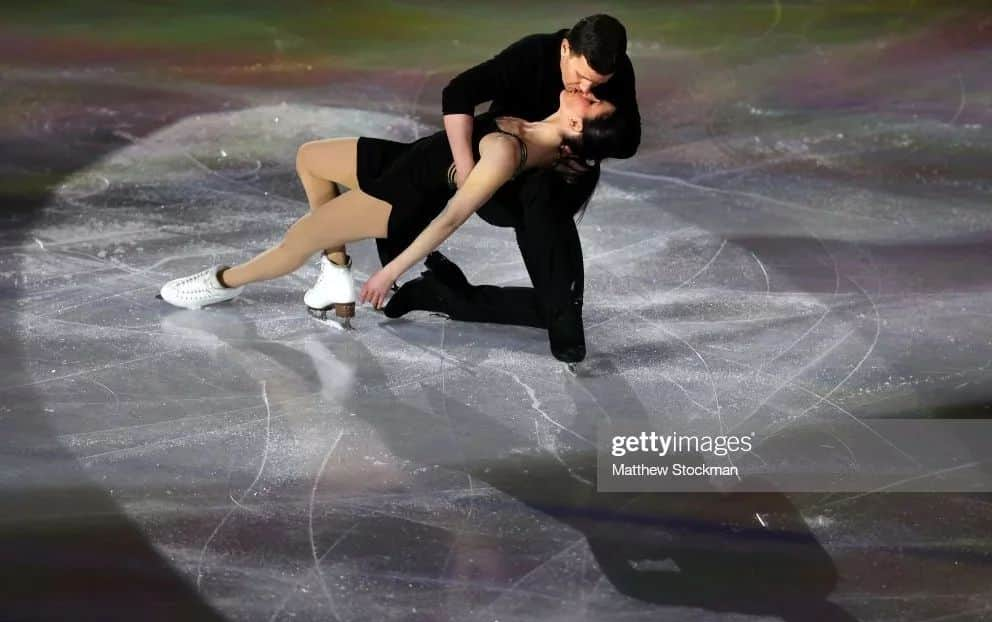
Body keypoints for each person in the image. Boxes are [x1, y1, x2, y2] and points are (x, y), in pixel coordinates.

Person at [158, 91, 626, 322]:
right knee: (311, 157)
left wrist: (388, 271)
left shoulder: (509, 153)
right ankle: (337, 274)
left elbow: (451, 216)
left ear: (576, 127)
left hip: (399, 198)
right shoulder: (537, 117)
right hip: (402, 160)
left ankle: (222, 283)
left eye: (593, 103)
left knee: (297, 241)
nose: (587, 92)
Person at [377, 14, 641, 363]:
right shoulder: (532, 55)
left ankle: (448, 297)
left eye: (597, 87)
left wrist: (588, 151)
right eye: (580, 78)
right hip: (505, 182)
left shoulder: (615, 69)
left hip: (558, 186)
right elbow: (458, 92)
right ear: (565, 49)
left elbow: (628, 140)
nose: (587, 90)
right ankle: (562, 314)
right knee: (537, 193)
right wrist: (468, 174)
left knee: (547, 204)